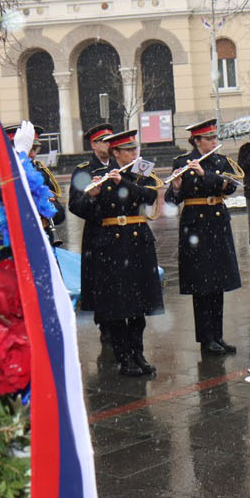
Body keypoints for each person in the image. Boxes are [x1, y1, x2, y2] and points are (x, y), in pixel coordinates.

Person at [76, 131, 163, 378]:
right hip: (112, 244)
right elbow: (81, 208)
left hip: (138, 241)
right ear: (115, 153)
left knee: (139, 304)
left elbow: (150, 195)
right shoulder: (99, 176)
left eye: (134, 149)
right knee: (117, 306)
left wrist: (122, 183)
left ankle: (138, 354)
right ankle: (124, 358)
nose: (134, 154)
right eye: (128, 150)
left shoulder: (141, 171)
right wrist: (91, 196)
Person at [166, 120, 241, 354]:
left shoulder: (221, 161)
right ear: (196, 141)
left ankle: (218, 336)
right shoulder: (181, 162)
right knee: (201, 285)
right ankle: (205, 339)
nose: (213, 142)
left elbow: (230, 187)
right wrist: (177, 186)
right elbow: (171, 201)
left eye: (214, 138)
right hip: (195, 227)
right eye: (208, 138)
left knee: (217, 283)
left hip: (217, 223)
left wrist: (205, 174)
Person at [69, 122, 114, 346]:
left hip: (121, 232)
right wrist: (92, 197)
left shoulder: (119, 165)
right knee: (101, 282)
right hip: (99, 232)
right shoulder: (84, 170)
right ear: (94, 145)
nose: (109, 144)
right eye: (104, 141)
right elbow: (74, 205)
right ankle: (105, 326)